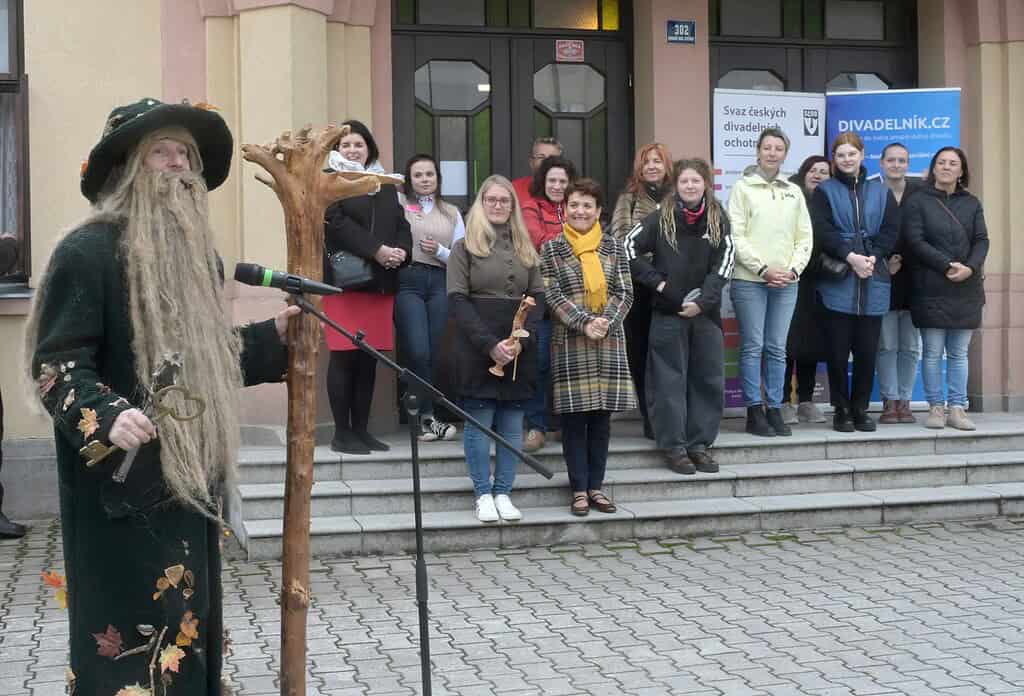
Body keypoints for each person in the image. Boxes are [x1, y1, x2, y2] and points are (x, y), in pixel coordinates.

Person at [25, 98, 299, 695]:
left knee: (188, 632)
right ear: (127, 166)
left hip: (188, 478)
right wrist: (105, 414)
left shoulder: (199, 259)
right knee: (126, 641)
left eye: (186, 155)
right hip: (118, 489)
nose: (179, 165)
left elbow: (205, 361)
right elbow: (56, 362)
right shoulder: (87, 251)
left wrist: (270, 342)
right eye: (161, 152)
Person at [626, 159, 735, 475]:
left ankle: (699, 445)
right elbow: (626, 248)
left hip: (705, 315)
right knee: (668, 382)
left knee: (707, 380)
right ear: (676, 185)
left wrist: (703, 301)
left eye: (696, 181)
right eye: (685, 181)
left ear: (705, 185)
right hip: (668, 313)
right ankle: (674, 447)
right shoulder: (660, 217)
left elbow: (724, 264)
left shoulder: (719, 218)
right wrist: (661, 286)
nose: (690, 186)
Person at [447, 175, 545, 523]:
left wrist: (521, 341)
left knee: (512, 421)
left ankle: (504, 491)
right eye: (492, 200)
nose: (499, 205)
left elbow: (539, 299)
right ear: (481, 203)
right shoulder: (464, 248)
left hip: (518, 343)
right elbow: (457, 301)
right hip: (477, 341)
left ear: (512, 205)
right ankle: (482, 494)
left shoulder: (526, 246)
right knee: (479, 421)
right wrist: (490, 346)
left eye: (505, 200)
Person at [542, 178, 635, 516]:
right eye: (575, 205)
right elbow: (552, 295)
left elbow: (625, 292)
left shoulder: (614, 247)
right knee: (574, 422)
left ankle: (596, 487)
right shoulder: (551, 249)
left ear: (598, 211)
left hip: (609, 342)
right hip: (571, 342)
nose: (580, 211)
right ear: (564, 209)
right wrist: (584, 322)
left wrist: (605, 322)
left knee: (601, 420)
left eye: (587, 205)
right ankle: (578, 489)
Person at [322, 120, 412, 454]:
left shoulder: (384, 183)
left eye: (358, 144)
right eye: (345, 145)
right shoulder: (331, 180)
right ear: (336, 150)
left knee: (368, 360)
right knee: (345, 358)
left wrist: (401, 252)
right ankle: (341, 434)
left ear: (369, 148)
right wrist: (377, 250)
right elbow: (336, 223)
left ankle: (361, 430)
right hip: (345, 284)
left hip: (380, 282)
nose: (352, 150)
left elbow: (401, 224)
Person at [810, 131, 900, 432]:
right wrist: (851, 257)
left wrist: (872, 257)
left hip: (873, 277)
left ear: (862, 155)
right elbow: (823, 231)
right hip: (839, 279)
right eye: (840, 155)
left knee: (867, 350)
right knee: (837, 350)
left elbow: (890, 229)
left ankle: (861, 408)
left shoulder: (880, 190)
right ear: (834, 160)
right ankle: (841, 408)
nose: (847, 159)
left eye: (852, 153)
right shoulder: (825, 191)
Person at [728, 127, 813, 437]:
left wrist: (792, 270)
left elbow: (805, 236)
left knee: (777, 348)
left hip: (787, 282)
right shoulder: (743, 188)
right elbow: (736, 235)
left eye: (779, 148)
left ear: (785, 154)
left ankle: (774, 408)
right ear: (758, 150)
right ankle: (754, 411)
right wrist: (763, 269)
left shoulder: (794, 191)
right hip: (750, 280)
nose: (772, 153)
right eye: (767, 147)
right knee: (753, 346)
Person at [903, 146, 988, 430]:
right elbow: (915, 241)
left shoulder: (972, 203)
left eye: (953, 163)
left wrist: (970, 268)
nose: (947, 167)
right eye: (941, 162)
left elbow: (981, 240)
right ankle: (935, 408)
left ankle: (957, 408)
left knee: (959, 353)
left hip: (966, 286)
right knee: (931, 351)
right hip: (931, 285)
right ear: (934, 168)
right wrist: (946, 265)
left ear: (962, 170)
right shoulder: (918, 201)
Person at [395, 154, 464, 441]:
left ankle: (426, 415)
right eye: (418, 175)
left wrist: (439, 251)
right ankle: (422, 414)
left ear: (438, 178)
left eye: (430, 174)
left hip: (439, 280)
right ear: (409, 180)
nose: (425, 179)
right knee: (418, 350)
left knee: (434, 352)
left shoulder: (451, 212)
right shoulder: (399, 205)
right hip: (408, 281)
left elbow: (462, 259)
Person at [610, 142, 674, 440]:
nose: (652, 166)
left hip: (673, 287)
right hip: (639, 286)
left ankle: (670, 415)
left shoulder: (678, 196)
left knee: (668, 354)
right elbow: (621, 240)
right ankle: (649, 417)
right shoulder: (629, 198)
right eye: (646, 161)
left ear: (666, 165)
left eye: (657, 161)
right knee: (641, 353)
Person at [520, 155, 577, 453]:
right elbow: (539, 240)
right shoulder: (530, 207)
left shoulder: (576, 206)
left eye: (562, 181)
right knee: (539, 362)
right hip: (541, 294)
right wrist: (574, 238)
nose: (557, 186)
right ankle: (536, 427)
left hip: (574, 295)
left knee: (570, 362)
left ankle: (568, 426)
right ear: (543, 181)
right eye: (552, 180)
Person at [781, 155, 831, 425]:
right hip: (790, 278)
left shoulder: (831, 202)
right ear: (804, 172)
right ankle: (783, 402)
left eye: (824, 172)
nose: (818, 175)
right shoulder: (790, 196)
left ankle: (807, 400)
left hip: (820, 282)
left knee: (811, 345)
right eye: (813, 170)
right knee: (788, 344)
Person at [876, 142, 922, 424]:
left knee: (911, 346)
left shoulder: (921, 193)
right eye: (891, 160)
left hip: (916, 278)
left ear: (908, 164)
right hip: (884, 277)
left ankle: (905, 401)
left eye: (901, 160)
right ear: (881, 163)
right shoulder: (874, 193)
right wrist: (883, 265)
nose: (896, 164)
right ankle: (889, 401)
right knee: (887, 344)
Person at [511, 136, 563, 206]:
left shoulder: (569, 190)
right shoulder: (514, 189)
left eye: (552, 158)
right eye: (541, 157)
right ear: (531, 162)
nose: (546, 161)